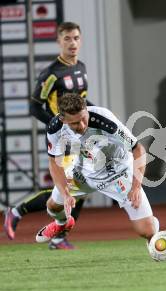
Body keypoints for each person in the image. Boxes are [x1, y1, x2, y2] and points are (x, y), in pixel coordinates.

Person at [3, 22, 92, 249]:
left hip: (80, 135)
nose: (72, 43)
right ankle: (18, 212)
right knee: (69, 187)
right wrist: (57, 125)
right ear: (58, 42)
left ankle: (58, 235)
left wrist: (95, 115)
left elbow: (81, 102)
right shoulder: (51, 74)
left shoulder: (81, 67)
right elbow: (34, 107)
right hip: (64, 139)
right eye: (67, 39)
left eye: (76, 38)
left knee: (81, 186)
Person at [35, 93, 159, 245]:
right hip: (83, 172)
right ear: (63, 119)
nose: (81, 126)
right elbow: (54, 162)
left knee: (148, 232)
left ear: (86, 110)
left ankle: (151, 226)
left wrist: (136, 186)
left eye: (83, 118)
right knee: (53, 206)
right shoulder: (55, 128)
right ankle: (62, 224)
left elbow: (138, 149)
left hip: (117, 172)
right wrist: (65, 194)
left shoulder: (105, 120)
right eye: (74, 123)